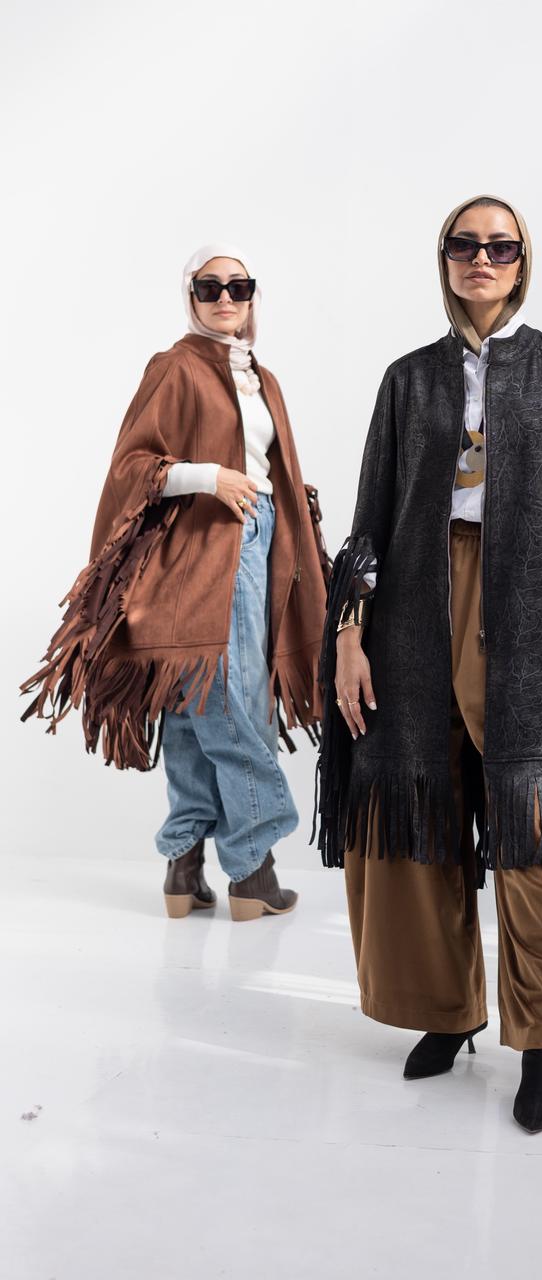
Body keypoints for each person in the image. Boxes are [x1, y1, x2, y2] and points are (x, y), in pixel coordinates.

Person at [317, 195, 542, 1133]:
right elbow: (371, 517)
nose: (482, 258)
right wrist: (349, 635)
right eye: (465, 245)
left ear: (522, 261)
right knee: (417, 810)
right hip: (413, 613)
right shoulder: (408, 380)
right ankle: (447, 1011)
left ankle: (541, 1040)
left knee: (538, 826)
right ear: (445, 259)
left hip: (533, 610)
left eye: (500, 246)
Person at [23, 243, 330, 920]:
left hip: (254, 539)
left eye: (238, 286)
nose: (224, 298)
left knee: (193, 704)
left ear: (253, 297)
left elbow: (268, 465)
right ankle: (252, 865)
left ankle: (183, 863)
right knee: (232, 699)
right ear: (189, 295)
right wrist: (208, 477)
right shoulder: (176, 365)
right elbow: (131, 464)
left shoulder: (261, 377)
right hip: (204, 547)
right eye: (208, 286)